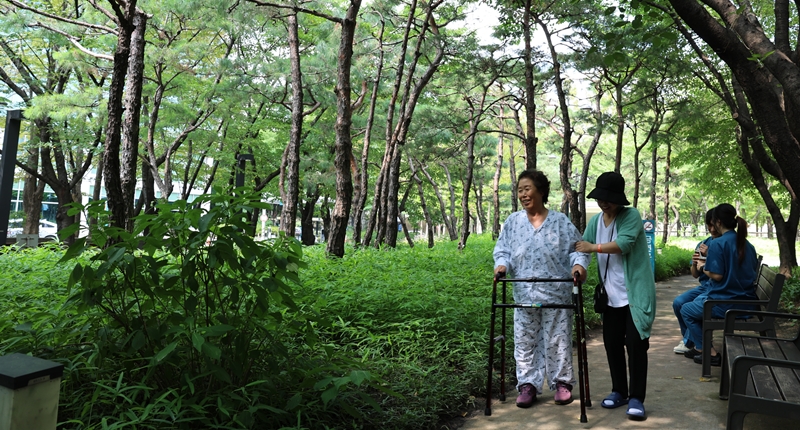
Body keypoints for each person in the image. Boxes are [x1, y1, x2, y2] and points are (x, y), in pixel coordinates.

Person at [493, 170, 590, 408]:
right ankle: (528, 385)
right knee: (525, 340)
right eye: (519, 190)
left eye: (527, 189)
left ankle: (562, 383)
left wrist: (578, 266)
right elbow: (502, 249)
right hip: (523, 292)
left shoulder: (560, 222)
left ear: (541, 191)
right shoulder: (513, 222)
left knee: (558, 339)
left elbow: (578, 248)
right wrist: (501, 266)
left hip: (556, 292)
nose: (523, 194)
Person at [575, 171, 656, 421]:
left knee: (635, 344)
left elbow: (624, 244)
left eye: (609, 198)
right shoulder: (596, 221)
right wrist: (580, 266)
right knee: (612, 344)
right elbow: (581, 248)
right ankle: (619, 391)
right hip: (610, 297)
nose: (604, 202)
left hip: (635, 296)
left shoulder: (630, 216)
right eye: (600, 198)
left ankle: (636, 398)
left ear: (620, 199)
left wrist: (593, 247)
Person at [679, 203, 759, 366]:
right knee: (694, 304)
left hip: (725, 302)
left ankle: (709, 352)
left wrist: (703, 267)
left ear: (718, 222)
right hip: (747, 302)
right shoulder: (747, 244)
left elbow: (717, 275)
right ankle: (700, 346)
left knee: (686, 309)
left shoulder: (717, 243)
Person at [672, 208, 720, 354]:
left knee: (691, 307)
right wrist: (694, 264)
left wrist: (708, 256)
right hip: (705, 286)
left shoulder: (723, 244)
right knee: (678, 302)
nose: (711, 229)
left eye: (714, 225)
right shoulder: (703, 243)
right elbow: (695, 275)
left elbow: (720, 273)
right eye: (708, 226)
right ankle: (693, 338)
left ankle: (690, 341)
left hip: (715, 288)